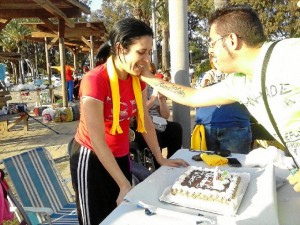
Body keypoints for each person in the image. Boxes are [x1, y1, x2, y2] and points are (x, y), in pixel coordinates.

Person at [140, 4, 300, 191]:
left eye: (213, 42)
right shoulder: (240, 82)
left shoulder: (289, 54)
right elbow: (194, 97)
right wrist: (147, 77)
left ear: (231, 40)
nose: (212, 51)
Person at [69, 18, 189, 224]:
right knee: (95, 220)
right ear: (120, 48)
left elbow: (145, 122)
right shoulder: (95, 81)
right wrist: (124, 183)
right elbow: (97, 140)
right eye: (141, 52)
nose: (146, 59)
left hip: (121, 154)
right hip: (91, 158)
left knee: (120, 217)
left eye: (149, 52)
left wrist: (160, 158)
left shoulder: (137, 81)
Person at [193, 59, 252, 154]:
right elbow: (194, 101)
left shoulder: (240, 75)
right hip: (206, 129)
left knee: (234, 165)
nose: (217, 59)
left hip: (235, 129)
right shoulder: (204, 76)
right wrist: (202, 86)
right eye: (213, 57)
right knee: (205, 165)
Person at [133, 63, 183, 169]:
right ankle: (158, 166)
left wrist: (161, 99)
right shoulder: (137, 87)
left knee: (175, 128)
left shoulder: (153, 88)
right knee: (155, 133)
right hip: (141, 125)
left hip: (158, 122)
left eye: (152, 73)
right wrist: (153, 98)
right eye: (148, 73)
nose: (150, 75)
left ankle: (173, 159)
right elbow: (140, 111)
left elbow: (165, 115)